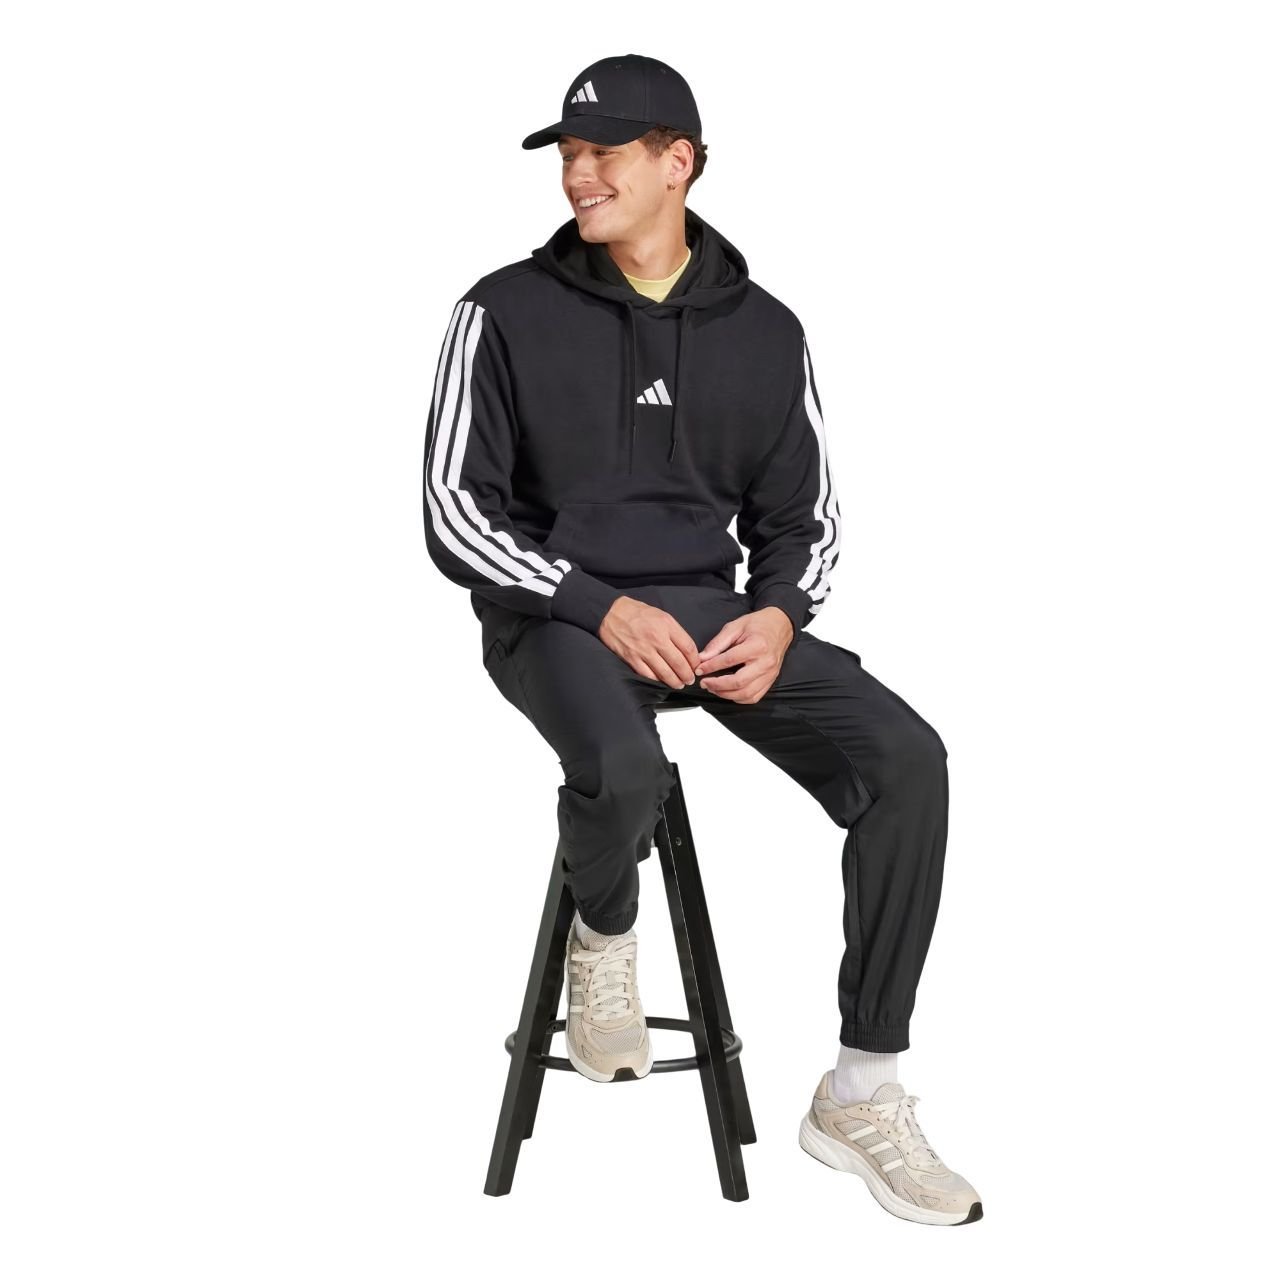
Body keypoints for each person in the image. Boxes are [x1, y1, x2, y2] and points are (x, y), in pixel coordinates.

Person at [422, 54, 981, 1225]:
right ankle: (604, 929)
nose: (576, 174)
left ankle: (860, 1090)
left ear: (676, 161)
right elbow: (453, 510)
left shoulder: (764, 329)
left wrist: (777, 615)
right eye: (567, 153)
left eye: (602, 152)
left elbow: (803, 517)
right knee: (627, 766)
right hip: (551, 609)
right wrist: (593, 602)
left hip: (711, 614)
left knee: (906, 760)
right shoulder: (501, 310)